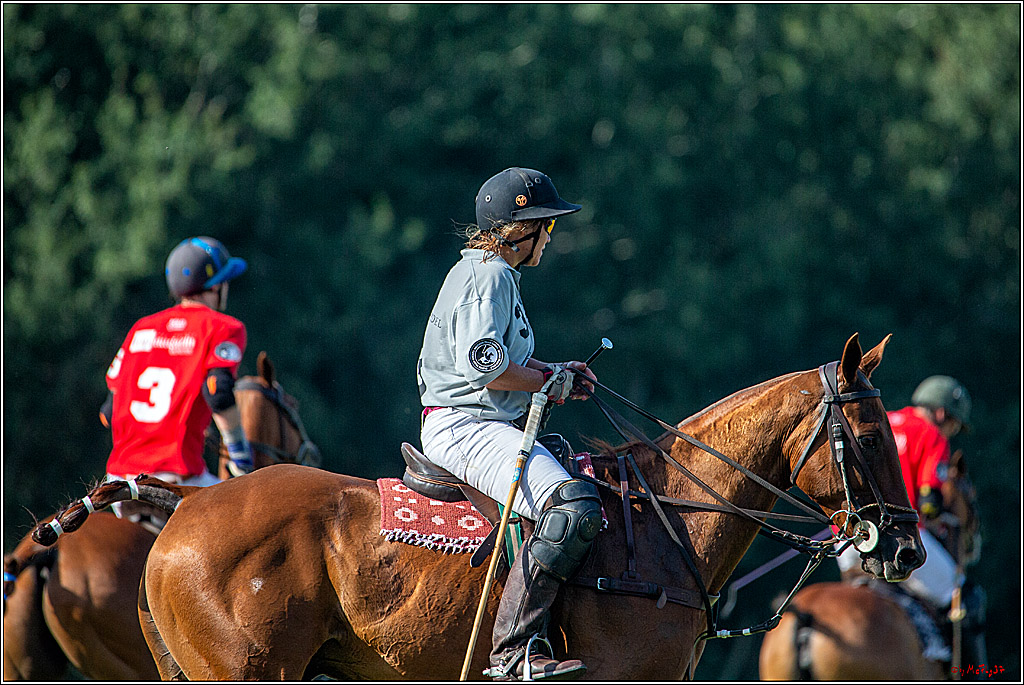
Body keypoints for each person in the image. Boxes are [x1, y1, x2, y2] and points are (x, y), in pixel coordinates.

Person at [417, 168, 603, 681]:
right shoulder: (491, 275)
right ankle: (512, 653)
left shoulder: (489, 272)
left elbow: (496, 360)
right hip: (466, 425)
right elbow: (488, 367)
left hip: (479, 419)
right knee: (573, 508)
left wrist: (554, 372)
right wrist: (551, 381)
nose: (551, 234)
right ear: (519, 229)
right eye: (546, 223)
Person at [100, 237, 255, 522]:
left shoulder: (141, 329)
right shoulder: (224, 327)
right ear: (216, 286)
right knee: (255, 519)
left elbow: (108, 414)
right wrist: (240, 455)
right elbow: (218, 393)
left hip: (118, 484)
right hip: (175, 480)